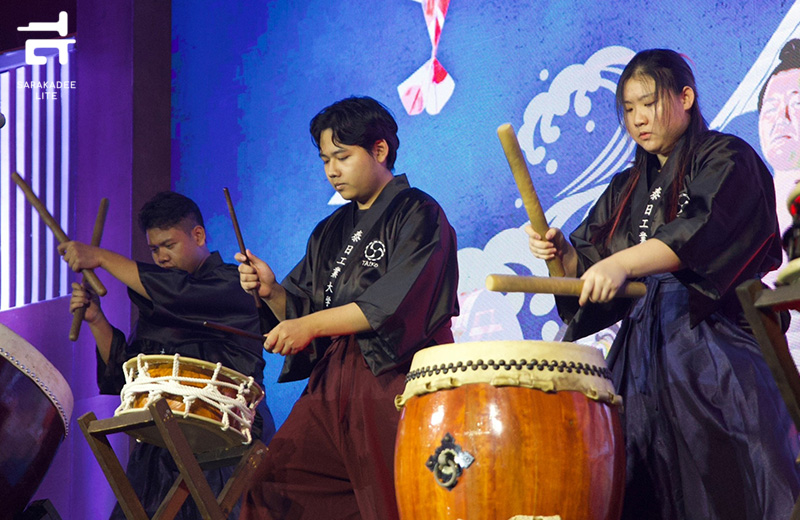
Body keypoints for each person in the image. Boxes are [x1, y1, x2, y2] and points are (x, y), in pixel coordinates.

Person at [526, 49, 800, 519]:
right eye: (628, 110)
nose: (637, 119)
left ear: (686, 97)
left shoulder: (726, 155)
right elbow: (590, 265)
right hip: (643, 357)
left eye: (648, 104)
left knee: (727, 482)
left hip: (713, 344)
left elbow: (699, 230)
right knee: (646, 486)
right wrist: (567, 259)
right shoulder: (627, 185)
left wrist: (623, 264)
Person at [235, 96, 459, 520]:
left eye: (342, 156)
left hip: (391, 376)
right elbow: (301, 309)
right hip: (331, 382)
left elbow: (391, 306)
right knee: (272, 485)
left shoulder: (419, 212)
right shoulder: (329, 229)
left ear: (379, 150)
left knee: (391, 499)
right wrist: (271, 293)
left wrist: (311, 325)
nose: (332, 171)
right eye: (325, 160)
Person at [59, 191, 276, 520]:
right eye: (153, 249)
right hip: (161, 445)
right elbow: (122, 375)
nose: (160, 257)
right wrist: (96, 319)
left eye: (169, 245)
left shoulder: (233, 285)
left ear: (198, 235)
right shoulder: (158, 303)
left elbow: (178, 294)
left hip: (223, 442)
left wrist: (100, 257)